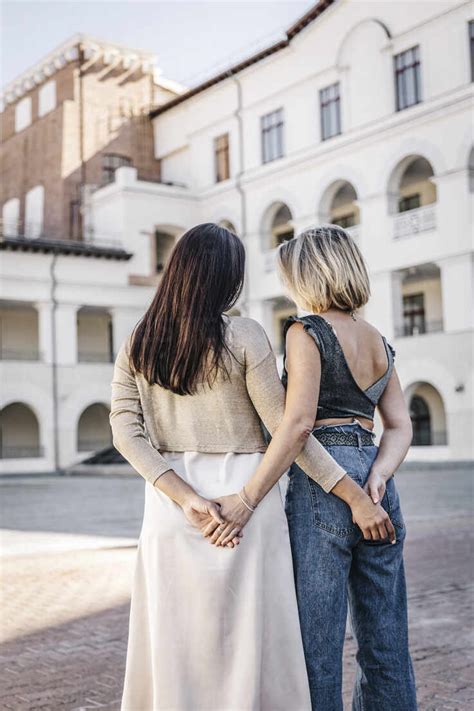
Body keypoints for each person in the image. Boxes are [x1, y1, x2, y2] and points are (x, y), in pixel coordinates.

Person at [110, 223, 393, 711]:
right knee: (252, 640)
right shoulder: (244, 334)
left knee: (177, 641)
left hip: (172, 507)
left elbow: (124, 430)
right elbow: (290, 429)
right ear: (229, 279)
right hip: (249, 497)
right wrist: (350, 493)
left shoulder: (140, 339)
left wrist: (187, 498)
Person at [277, 224, 418, 711]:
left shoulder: (306, 331)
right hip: (378, 483)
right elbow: (399, 425)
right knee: (386, 642)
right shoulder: (377, 338)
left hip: (325, 481)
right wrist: (378, 473)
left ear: (309, 274)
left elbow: (298, 426)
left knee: (318, 645)